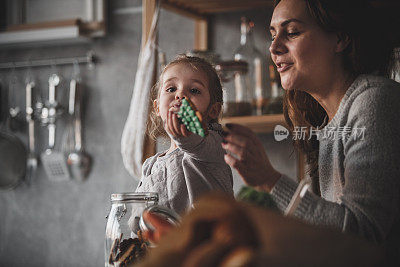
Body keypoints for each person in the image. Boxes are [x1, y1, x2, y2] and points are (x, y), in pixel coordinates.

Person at [220, 0, 400, 263]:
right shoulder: (327, 122)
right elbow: (325, 236)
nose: (273, 47)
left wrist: (270, 180)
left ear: (340, 39)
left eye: (291, 32)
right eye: (272, 35)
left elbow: (361, 239)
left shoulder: (375, 101)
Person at [135, 55, 234, 216]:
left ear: (213, 110)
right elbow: (138, 213)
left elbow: (195, 143)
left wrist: (186, 134)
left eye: (194, 90)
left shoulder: (214, 145)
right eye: (171, 89)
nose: (180, 95)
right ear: (157, 107)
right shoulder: (150, 165)